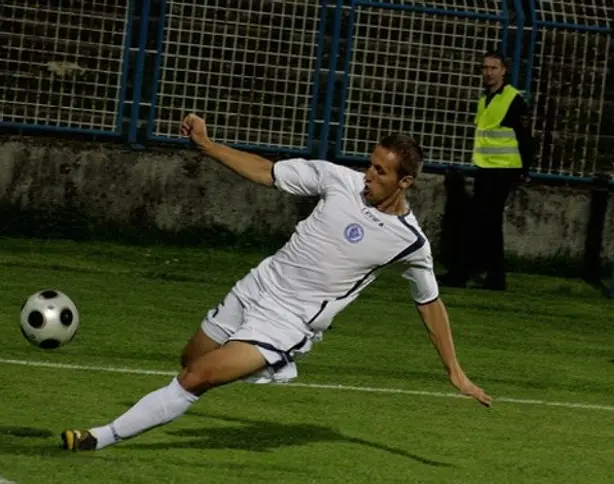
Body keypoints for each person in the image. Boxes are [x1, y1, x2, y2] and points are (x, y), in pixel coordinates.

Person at [60, 114, 492, 452]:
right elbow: (268, 172)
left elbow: (430, 303)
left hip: (286, 322)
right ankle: (254, 365)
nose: (367, 175)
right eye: (369, 165)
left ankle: (101, 436)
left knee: (199, 377)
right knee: (190, 360)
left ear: (406, 182)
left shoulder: (409, 242)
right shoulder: (336, 180)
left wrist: (454, 370)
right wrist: (208, 146)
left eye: (380, 172)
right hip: (257, 286)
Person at [439, 51, 534, 291]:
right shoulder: (485, 99)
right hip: (486, 168)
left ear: (504, 70)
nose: (488, 73)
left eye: (493, 68)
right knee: (485, 223)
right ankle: (490, 277)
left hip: (503, 170)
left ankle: (468, 273)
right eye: (485, 68)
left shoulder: (513, 99)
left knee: (481, 222)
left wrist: (524, 170)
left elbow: (525, 138)